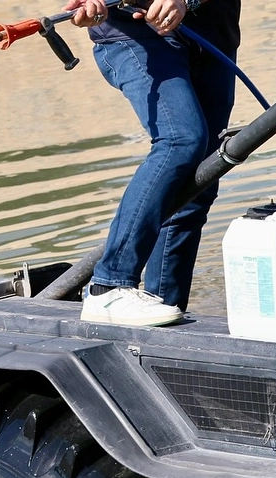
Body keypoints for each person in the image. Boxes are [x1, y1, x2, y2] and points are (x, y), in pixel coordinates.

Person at [67, 0, 242, 326]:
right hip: (136, 36)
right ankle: (109, 285)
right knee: (181, 140)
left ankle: (163, 309)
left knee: (198, 184)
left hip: (214, 35)